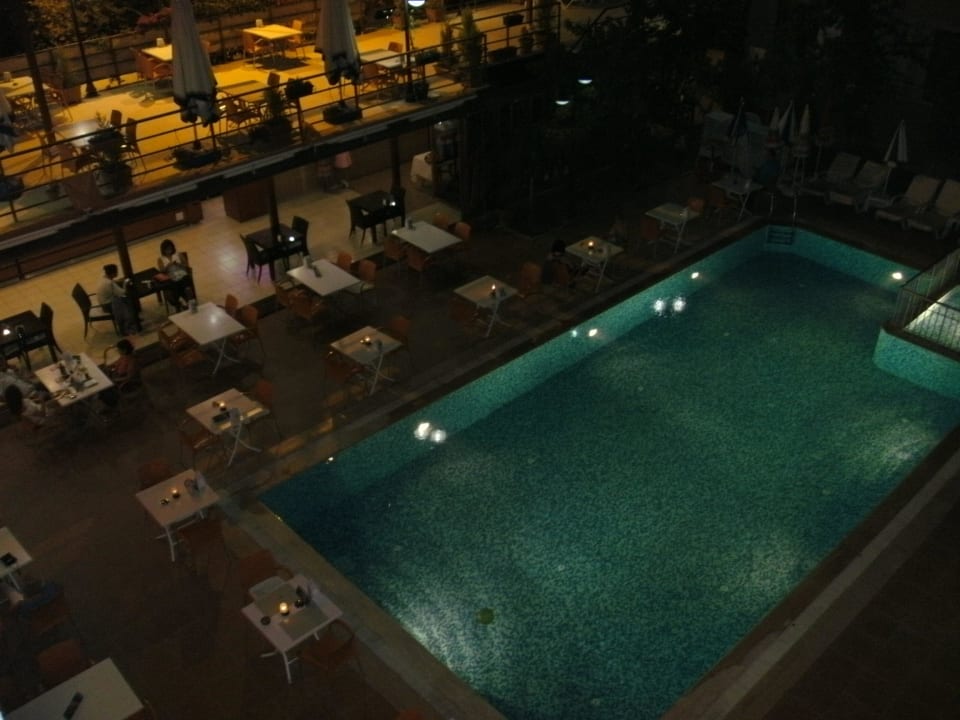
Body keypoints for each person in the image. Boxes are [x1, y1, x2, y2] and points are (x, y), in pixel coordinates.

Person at [97, 263, 140, 336]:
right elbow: (123, 292)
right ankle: (130, 325)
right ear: (112, 273)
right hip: (108, 305)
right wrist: (125, 283)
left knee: (126, 300)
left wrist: (118, 282)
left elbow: (113, 285)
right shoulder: (109, 283)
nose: (117, 273)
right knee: (128, 301)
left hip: (103, 302)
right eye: (116, 272)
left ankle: (134, 318)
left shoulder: (104, 278)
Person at [157, 239, 192, 310]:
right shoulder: (160, 259)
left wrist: (179, 265)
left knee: (185, 282)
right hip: (171, 276)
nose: (169, 251)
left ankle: (185, 301)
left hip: (181, 273)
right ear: (163, 250)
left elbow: (186, 266)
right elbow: (161, 271)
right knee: (174, 284)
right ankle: (182, 301)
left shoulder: (178, 255)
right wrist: (168, 265)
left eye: (170, 249)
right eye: (167, 249)